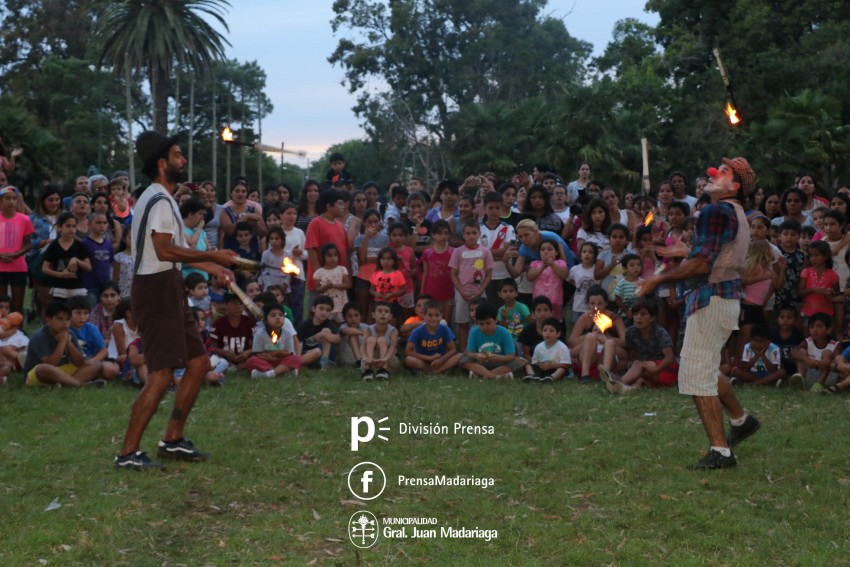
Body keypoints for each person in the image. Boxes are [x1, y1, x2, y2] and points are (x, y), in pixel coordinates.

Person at [115, 131, 236, 471]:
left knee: (198, 364)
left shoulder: (163, 200)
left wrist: (216, 268)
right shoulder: (158, 200)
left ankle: (172, 439)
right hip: (155, 290)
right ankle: (127, 452)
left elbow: (180, 255)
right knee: (162, 374)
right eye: (179, 155)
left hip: (169, 285)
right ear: (162, 162)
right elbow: (164, 249)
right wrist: (214, 253)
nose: (184, 161)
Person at [638, 156, 761, 469]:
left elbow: (704, 264)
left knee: (694, 374)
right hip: (724, 299)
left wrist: (658, 278)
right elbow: (712, 254)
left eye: (723, 172)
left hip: (712, 298)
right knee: (704, 367)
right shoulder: (734, 211)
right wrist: (682, 251)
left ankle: (721, 453)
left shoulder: (716, 209)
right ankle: (740, 419)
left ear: (734, 186)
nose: (712, 172)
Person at [23, 301, 105, 388]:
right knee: (44, 368)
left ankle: (65, 384)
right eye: (60, 319)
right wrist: (62, 342)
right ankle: (80, 385)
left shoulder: (70, 334)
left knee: (96, 364)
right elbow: (50, 364)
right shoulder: (40, 337)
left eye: (68, 319)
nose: (65, 323)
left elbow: (80, 363)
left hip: (63, 370)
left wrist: (69, 344)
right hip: (38, 374)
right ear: (48, 320)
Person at [450, 219, 494, 353]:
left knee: (482, 321)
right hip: (462, 292)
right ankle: (464, 351)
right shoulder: (458, 252)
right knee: (463, 323)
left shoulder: (485, 252)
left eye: (474, 233)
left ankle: (481, 349)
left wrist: (481, 291)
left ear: (479, 234)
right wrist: (461, 291)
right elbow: (453, 274)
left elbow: (488, 274)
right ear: (463, 235)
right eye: (468, 233)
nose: (471, 236)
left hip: (479, 291)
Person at [460, 303, 523, 380]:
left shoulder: (504, 332)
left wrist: (499, 358)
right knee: (464, 360)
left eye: (488, 323)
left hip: (500, 363)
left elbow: (511, 355)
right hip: (481, 363)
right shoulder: (474, 331)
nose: (485, 327)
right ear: (477, 322)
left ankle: (482, 375)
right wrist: (477, 355)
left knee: (516, 363)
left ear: (496, 319)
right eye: (481, 324)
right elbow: (469, 353)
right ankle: (493, 376)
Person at [67, 296, 120, 381]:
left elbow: (103, 350)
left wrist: (91, 362)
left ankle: (83, 377)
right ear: (68, 313)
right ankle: (78, 379)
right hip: (71, 363)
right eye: (78, 313)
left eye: (86, 313)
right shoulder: (65, 329)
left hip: (91, 361)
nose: (82, 317)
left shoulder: (91, 328)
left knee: (111, 370)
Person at [0, 186, 34, 315]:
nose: (11, 201)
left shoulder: (24, 219)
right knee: (1, 303)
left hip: (18, 267)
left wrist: (16, 254)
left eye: (14, 198)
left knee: (17, 304)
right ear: (1, 201)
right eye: (7, 198)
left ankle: (17, 331)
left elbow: (28, 244)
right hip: (0, 267)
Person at [246, 303, 301, 378]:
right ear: (265, 320)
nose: (278, 317)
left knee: (296, 359)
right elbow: (257, 354)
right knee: (252, 361)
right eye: (273, 315)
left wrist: (273, 356)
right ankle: (281, 372)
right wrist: (276, 353)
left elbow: (289, 354)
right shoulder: (259, 334)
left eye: (281, 315)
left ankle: (270, 373)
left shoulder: (287, 334)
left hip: (281, 361)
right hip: (265, 361)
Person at [789, 312, 838, 391]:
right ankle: (801, 380)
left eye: (819, 326)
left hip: (828, 377)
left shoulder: (835, 345)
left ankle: (819, 385)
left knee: (827, 353)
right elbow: (793, 352)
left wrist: (818, 363)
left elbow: (837, 361)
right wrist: (807, 359)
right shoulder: (808, 342)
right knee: (801, 352)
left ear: (828, 330)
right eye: (812, 327)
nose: (815, 330)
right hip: (810, 375)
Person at [522, 317, 571, 383]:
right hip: (542, 369)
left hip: (555, 368)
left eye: (551, 331)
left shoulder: (562, 347)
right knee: (527, 365)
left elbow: (567, 365)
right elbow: (535, 362)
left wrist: (551, 366)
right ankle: (532, 376)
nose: (547, 333)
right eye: (545, 330)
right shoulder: (539, 347)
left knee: (562, 369)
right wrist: (541, 365)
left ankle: (552, 378)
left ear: (558, 334)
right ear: (542, 333)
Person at [297, 294, 340, 369]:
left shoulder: (329, 324)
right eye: (321, 308)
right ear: (314, 309)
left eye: (328, 310)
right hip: (309, 353)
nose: (324, 312)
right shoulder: (305, 324)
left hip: (326, 354)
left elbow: (338, 339)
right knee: (316, 352)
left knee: (326, 331)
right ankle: (300, 364)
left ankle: (324, 361)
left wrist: (321, 334)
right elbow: (297, 341)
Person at [360, 302, 399, 381]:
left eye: (386, 312)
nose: (383, 314)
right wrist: (365, 358)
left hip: (388, 361)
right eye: (380, 311)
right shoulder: (368, 329)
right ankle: (368, 370)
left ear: (390, 316)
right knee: (371, 339)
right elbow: (363, 346)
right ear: (373, 315)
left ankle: (383, 371)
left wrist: (385, 359)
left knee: (382, 339)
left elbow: (392, 346)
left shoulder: (393, 330)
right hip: (371, 360)